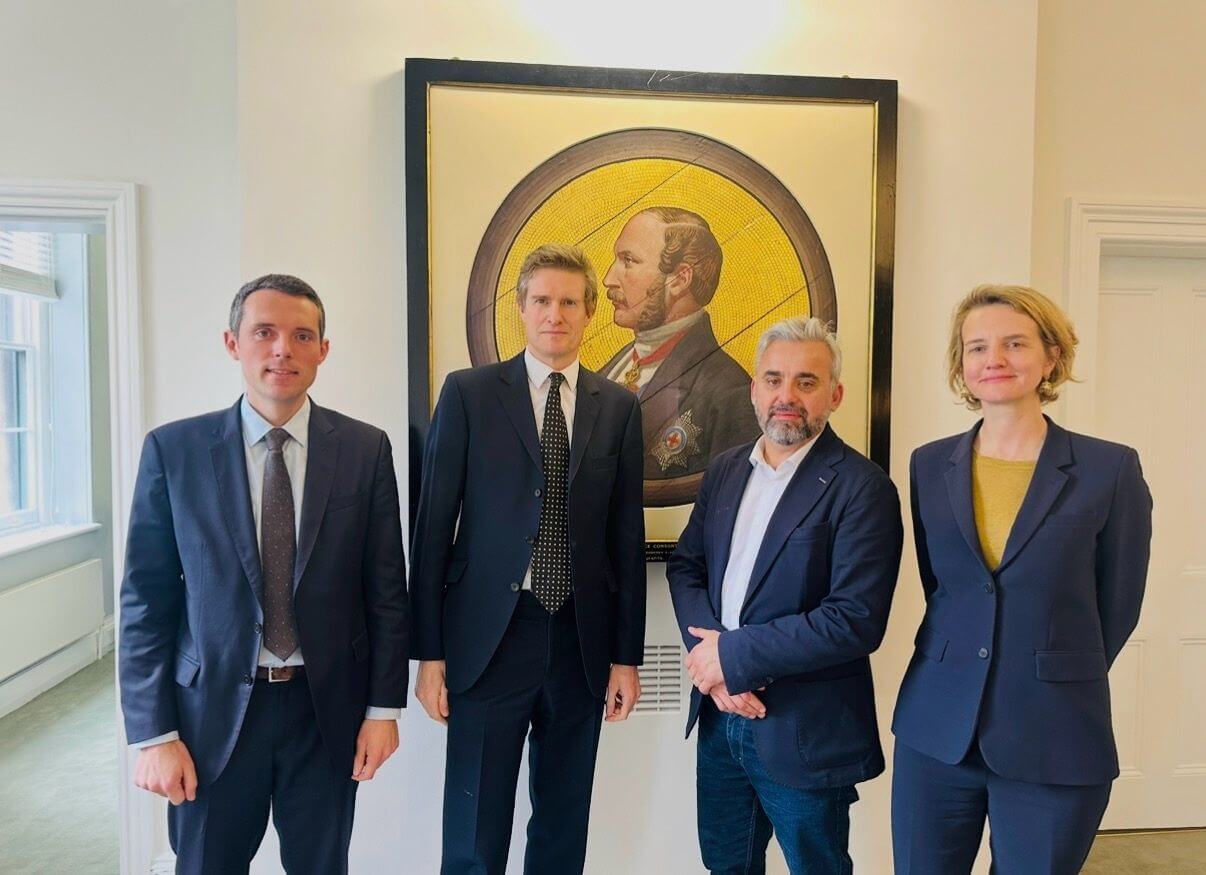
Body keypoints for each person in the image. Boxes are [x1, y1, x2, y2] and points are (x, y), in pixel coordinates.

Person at [118, 274, 409, 873]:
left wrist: (384, 710)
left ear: (323, 350)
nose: (283, 349)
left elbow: (385, 591)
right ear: (233, 343)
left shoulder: (365, 450)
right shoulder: (174, 451)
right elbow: (146, 600)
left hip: (326, 712)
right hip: (209, 716)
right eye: (264, 332)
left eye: (302, 335)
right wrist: (154, 734)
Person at [891, 284, 1153, 874]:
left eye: (1015, 343)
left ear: (1051, 355)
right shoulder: (928, 464)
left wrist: (1049, 668)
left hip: (1054, 733)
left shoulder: (1109, 468)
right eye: (977, 347)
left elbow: (1118, 603)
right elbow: (946, 589)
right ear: (961, 363)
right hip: (937, 730)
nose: (995, 359)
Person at [410, 243, 646, 874]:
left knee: (563, 824)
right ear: (520, 307)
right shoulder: (468, 394)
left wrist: (626, 658)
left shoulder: (618, 408)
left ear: (590, 311)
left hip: (580, 642)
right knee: (475, 830)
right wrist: (428, 654)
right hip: (489, 641)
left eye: (569, 302)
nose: (554, 314)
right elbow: (432, 531)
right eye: (541, 300)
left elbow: (626, 540)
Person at [667, 316, 903, 875]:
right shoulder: (726, 471)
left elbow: (854, 619)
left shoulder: (863, 487)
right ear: (754, 389)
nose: (786, 396)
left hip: (805, 730)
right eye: (773, 380)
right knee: (726, 866)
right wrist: (714, 670)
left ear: (835, 395)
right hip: (720, 718)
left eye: (806, 381)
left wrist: (731, 659)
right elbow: (687, 567)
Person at [600, 207, 759, 481]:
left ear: (679, 280)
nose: (608, 279)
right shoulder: (614, 368)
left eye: (628, 261)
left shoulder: (730, 394)